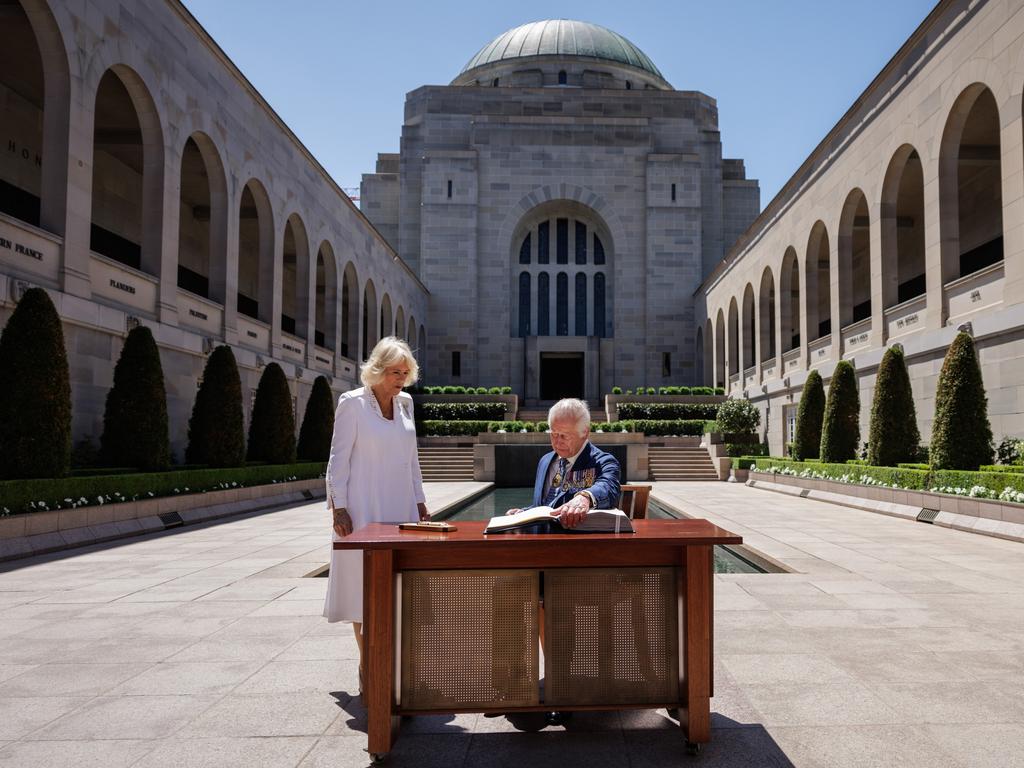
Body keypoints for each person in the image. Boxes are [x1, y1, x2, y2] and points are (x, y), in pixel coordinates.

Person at [323, 336, 428, 693]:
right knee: (362, 589)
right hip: (362, 507)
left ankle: (396, 669)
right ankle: (369, 667)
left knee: (399, 585)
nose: (400, 379)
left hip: (398, 507)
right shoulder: (352, 404)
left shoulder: (407, 404)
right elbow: (337, 459)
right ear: (378, 370)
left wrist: (420, 500)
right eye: (395, 372)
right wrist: (339, 506)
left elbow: (411, 458)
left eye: (405, 372)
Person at [507, 397, 621, 528]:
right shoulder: (545, 461)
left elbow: (608, 486)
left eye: (565, 436)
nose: (557, 441)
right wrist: (524, 513)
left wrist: (585, 497)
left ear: (584, 432)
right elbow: (545, 506)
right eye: (554, 434)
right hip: (540, 542)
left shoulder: (604, 462)